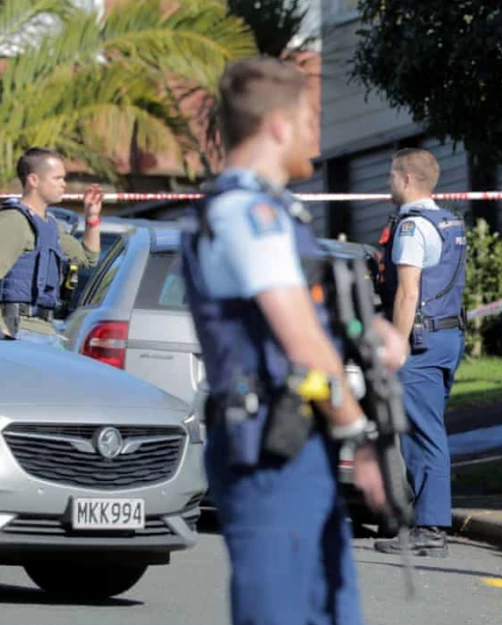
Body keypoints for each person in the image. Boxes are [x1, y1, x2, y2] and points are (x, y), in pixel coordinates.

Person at [178, 56, 399, 625]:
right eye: (307, 120)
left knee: (328, 609)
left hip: (295, 441)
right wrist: (361, 434)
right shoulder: (244, 213)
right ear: (277, 125)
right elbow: (299, 339)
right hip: (268, 450)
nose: (314, 137)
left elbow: (308, 320)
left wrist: (366, 332)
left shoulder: (272, 212)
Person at [373, 148, 467, 559]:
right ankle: (425, 523)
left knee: (424, 434)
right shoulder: (449, 220)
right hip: (448, 338)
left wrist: (395, 343)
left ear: (407, 179)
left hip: (421, 343)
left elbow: (408, 292)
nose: (387, 183)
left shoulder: (411, 227)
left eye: (391, 175)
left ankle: (431, 529)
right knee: (424, 429)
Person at [0, 148, 104, 346]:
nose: (64, 184)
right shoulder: (14, 221)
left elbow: (88, 258)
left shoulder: (51, 226)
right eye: (57, 178)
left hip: (46, 332)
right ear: (34, 180)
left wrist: (91, 217)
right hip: (15, 332)